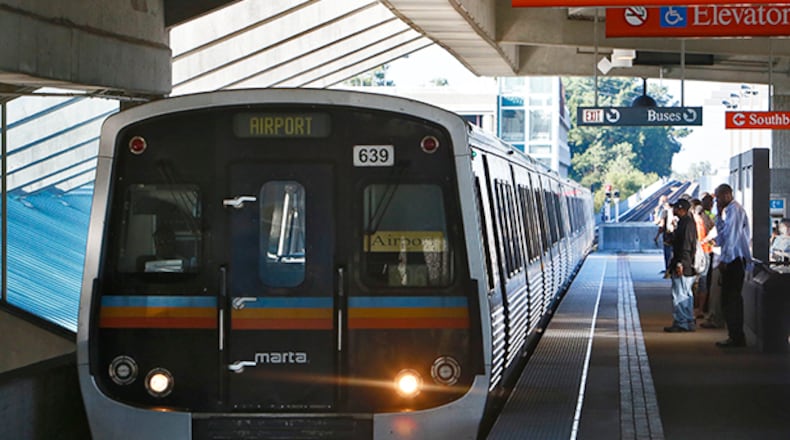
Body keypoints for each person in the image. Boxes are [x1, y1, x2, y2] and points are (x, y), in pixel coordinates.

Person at [713, 183, 752, 348]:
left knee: (731, 299)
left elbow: (732, 237)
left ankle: (736, 337)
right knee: (728, 299)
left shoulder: (734, 210)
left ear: (727, 195)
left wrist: (725, 259)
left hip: (735, 260)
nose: (718, 201)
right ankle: (734, 335)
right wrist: (717, 216)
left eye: (719, 197)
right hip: (733, 259)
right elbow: (722, 237)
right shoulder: (727, 211)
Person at [664, 198, 698, 333]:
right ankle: (688, 321)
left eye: (675, 208)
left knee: (680, 294)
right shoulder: (687, 223)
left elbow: (685, 246)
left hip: (683, 264)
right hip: (687, 264)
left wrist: (680, 264)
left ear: (681, 209)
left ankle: (681, 322)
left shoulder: (686, 224)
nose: (673, 210)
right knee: (687, 293)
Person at [654, 195, 674, 273]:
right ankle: (673, 269)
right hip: (675, 235)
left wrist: (657, 236)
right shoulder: (673, 211)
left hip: (668, 236)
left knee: (667, 254)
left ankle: (668, 269)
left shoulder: (664, 212)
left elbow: (661, 225)